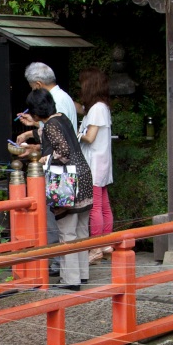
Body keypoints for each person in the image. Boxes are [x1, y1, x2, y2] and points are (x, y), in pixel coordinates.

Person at [16, 89, 92, 288]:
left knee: (67, 232)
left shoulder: (50, 125)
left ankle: (70, 280)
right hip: (84, 175)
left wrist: (42, 159)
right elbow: (50, 134)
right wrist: (30, 131)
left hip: (68, 182)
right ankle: (82, 274)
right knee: (81, 230)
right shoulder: (62, 118)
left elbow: (63, 152)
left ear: (35, 111)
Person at [78, 68, 113, 260]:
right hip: (102, 161)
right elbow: (80, 109)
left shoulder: (97, 108)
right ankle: (106, 242)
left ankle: (96, 247)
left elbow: (90, 137)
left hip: (94, 162)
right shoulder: (101, 106)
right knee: (104, 204)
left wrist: (77, 135)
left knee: (95, 207)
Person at [23, 60, 78, 133]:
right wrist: (34, 122)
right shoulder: (61, 95)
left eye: (32, 87)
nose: (32, 91)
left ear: (38, 85)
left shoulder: (56, 100)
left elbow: (58, 133)